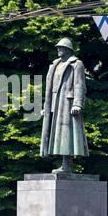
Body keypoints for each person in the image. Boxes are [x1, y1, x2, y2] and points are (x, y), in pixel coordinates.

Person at [40, 38, 89, 173]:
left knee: (66, 134)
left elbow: (80, 85)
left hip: (67, 103)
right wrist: (47, 107)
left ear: (68, 49)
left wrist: (78, 103)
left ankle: (67, 165)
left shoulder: (76, 64)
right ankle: (63, 164)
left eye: (61, 47)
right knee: (56, 135)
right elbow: (50, 89)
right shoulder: (55, 65)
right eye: (57, 47)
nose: (58, 50)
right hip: (55, 103)